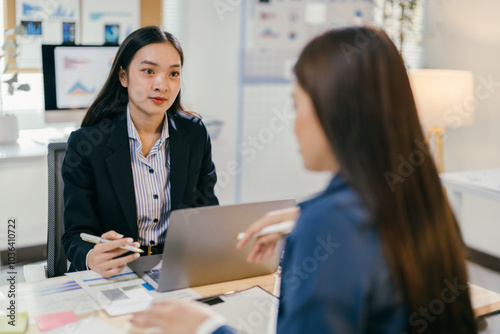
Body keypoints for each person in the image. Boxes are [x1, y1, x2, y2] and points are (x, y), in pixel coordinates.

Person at [130, 26, 477, 333]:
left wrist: (203, 327)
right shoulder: (423, 198)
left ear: (334, 110)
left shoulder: (330, 222)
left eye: (296, 106)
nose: (294, 124)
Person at [61, 26, 219, 277]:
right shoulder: (87, 144)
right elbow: (75, 236)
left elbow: (206, 210)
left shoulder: (194, 134)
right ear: (123, 77)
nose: (161, 85)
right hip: (117, 272)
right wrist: (92, 257)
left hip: (177, 268)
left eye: (173, 74)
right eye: (149, 71)